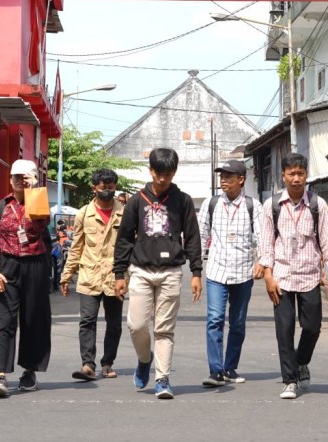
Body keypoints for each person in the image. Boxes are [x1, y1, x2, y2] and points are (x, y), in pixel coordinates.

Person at [113, 147, 203, 400]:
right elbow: (123, 240)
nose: (163, 179)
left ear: (174, 173)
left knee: (164, 329)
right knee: (137, 325)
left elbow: (193, 237)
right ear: (150, 170)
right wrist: (119, 273)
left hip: (172, 272)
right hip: (140, 270)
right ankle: (144, 359)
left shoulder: (182, 200)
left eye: (168, 174)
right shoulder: (136, 200)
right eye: (158, 173)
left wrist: (196, 271)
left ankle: (162, 378)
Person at [258, 152, 328, 400]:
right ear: (283, 176)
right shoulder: (271, 206)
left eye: (300, 174)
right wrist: (268, 275)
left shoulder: (318, 205)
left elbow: (327, 240)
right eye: (291, 173)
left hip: (309, 277)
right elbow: (266, 244)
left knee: (312, 327)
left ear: (306, 176)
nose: (296, 178)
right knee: (284, 329)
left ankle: (302, 361)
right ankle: (290, 380)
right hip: (281, 276)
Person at [0, 159, 52, 398]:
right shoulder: (0, 206)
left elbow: (40, 224)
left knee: (33, 319)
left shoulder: (39, 201)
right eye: (16, 176)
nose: (19, 181)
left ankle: (29, 371)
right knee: (4, 320)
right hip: (7, 265)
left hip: (35, 264)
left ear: (33, 178)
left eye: (25, 177)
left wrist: (34, 191)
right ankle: (0, 375)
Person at [198, 159, 261, 388]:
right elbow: (201, 234)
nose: (223, 180)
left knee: (237, 323)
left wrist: (261, 262)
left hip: (243, 273)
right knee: (214, 320)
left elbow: (261, 237)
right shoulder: (211, 204)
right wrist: (197, 267)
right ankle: (215, 371)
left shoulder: (253, 206)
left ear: (241, 179)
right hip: (216, 272)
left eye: (228, 176)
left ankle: (230, 368)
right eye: (221, 176)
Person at [61, 168, 125, 381]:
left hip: (116, 278)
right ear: (94, 188)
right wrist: (67, 275)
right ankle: (88, 364)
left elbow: (131, 245)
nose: (107, 190)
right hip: (89, 276)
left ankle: (107, 363)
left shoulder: (125, 213)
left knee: (114, 323)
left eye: (110, 186)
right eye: (102, 186)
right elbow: (76, 247)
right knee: (87, 321)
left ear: (115, 187)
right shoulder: (83, 214)